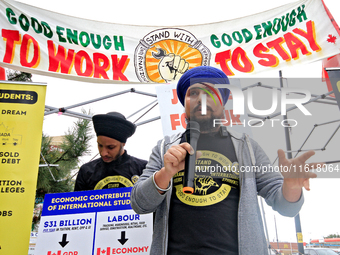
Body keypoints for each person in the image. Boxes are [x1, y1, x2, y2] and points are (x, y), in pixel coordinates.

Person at [131, 66, 318, 255]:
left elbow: (286, 207)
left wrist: (292, 186)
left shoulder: (248, 148)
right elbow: (140, 203)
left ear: (223, 102)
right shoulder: (164, 148)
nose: (201, 99)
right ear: (184, 104)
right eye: (193, 93)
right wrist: (166, 173)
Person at [74, 111, 147, 191]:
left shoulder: (143, 168)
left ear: (123, 144)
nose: (103, 153)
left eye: (110, 147)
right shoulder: (86, 171)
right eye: (100, 145)